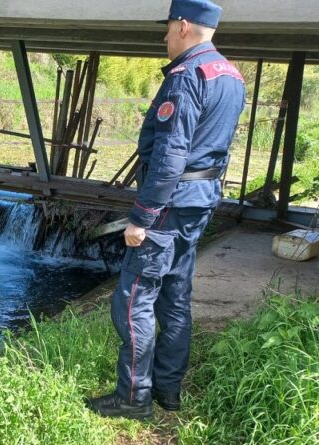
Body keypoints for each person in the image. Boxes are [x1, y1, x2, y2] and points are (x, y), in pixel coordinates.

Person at [87, 0, 246, 420]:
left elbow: (171, 154)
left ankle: (133, 398)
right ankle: (168, 391)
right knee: (175, 297)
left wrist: (141, 217)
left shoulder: (185, 76)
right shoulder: (230, 74)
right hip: (199, 201)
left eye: (167, 28)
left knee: (133, 298)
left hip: (169, 205)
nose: (163, 37)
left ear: (182, 26)